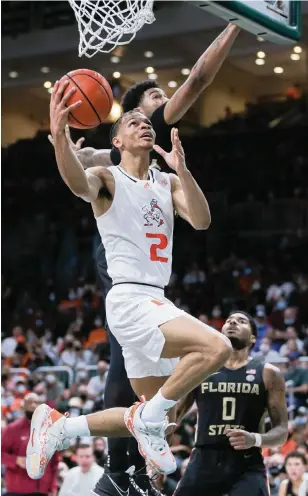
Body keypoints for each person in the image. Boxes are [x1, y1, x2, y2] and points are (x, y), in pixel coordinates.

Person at [49, 22, 241, 496]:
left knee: (159, 409)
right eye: (149, 105)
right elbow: (79, 179)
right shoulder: (111, 169)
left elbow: (201, 221)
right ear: (126, 126)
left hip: (146, 291)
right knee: (216, 350)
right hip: (129, 292)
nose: (155, 113)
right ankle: (132, 460)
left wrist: (182, 168)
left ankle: (59, 429)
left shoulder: (164, 177)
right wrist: (58, 138)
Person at [173, 311, 289, 496]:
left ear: (252, 338)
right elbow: (174, 416)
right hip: (204, 457)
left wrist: (255, 439)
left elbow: (282, 432)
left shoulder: (268, 373)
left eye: (241, 321)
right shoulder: (201, 368)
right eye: (228, 321)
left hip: (247, 461)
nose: (233, 322)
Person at [2, 393, 58, 496]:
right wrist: (16, 460)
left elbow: (54, 462)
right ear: (23, 406)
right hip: (17, 489)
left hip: (42, 489)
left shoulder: (49, 430)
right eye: (29, 402)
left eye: (36, 402)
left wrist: (53, 487)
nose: (32, 405)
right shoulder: (11, 429)